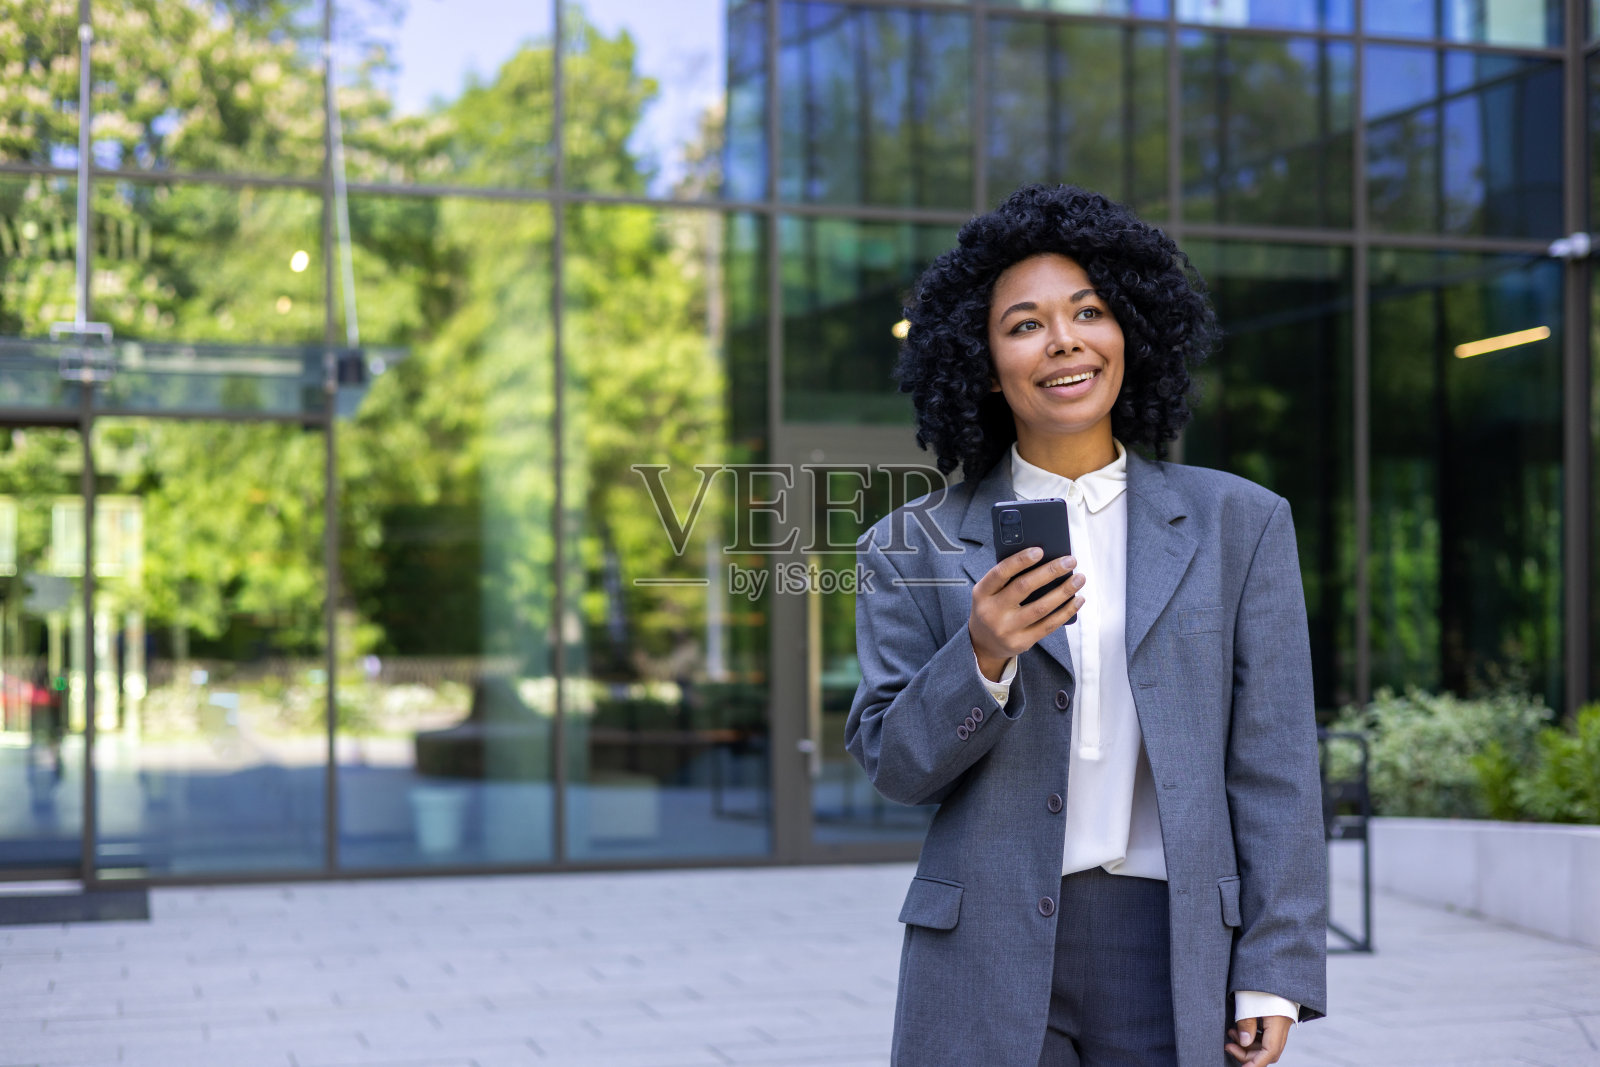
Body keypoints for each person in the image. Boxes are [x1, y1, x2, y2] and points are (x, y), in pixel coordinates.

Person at [845, 184, 1327, 1067]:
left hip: (1172, 943)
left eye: (1089, 312)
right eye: (1024, 324)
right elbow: (896, 764)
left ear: (1130, 334)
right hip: (981, 949)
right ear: (986, 364)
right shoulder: (908, 542)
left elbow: (1277, 764)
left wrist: (1275, 967)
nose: (1062, 339)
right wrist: (982, 655)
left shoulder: (1240, 523)